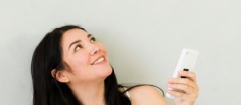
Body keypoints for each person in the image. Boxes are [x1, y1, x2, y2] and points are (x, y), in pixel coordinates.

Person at [31, 25, 199, 105]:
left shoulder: (143, 98)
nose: (95, 48)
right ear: (61, 75)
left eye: (92, 40)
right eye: (78, 47)